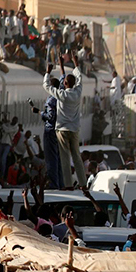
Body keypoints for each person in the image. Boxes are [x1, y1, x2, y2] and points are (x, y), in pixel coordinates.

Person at [44, 57, 85, 188]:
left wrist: (48, 72)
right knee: (77, 157)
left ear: (65, 84)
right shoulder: (78, 92)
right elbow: (80, 78)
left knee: (65, 157)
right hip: (74, 129)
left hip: (62, 129)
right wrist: (76, 63)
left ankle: (68, 184)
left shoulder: (61, 94)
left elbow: (46, 85)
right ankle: (83, 183)